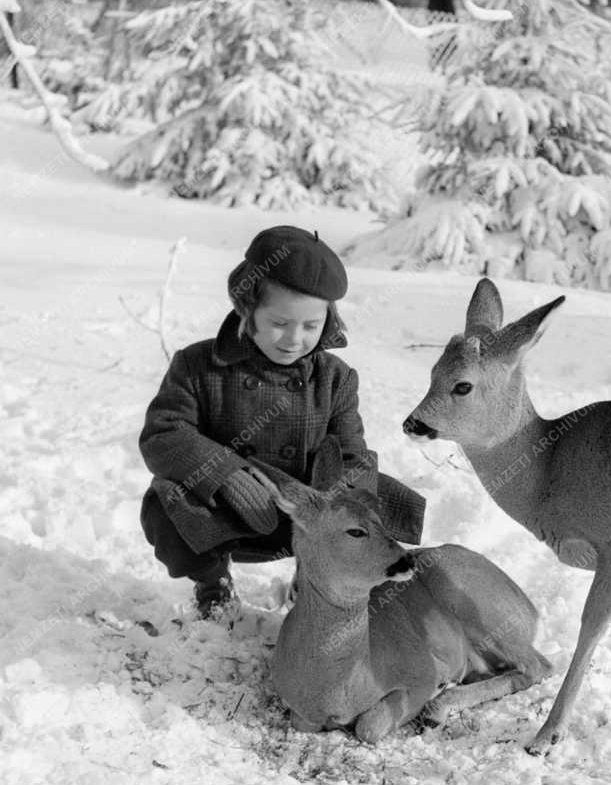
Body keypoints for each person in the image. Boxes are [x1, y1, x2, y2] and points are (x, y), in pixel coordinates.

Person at [138, 225, 425, 618]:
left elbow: (353, 457)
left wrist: (322, 511)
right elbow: (163, 433)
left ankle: (314, 577)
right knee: (166, 508)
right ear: (247, 309)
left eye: (311, 326)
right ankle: (213, 584)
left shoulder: (335, 379)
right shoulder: (197, 366)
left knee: (372, 506)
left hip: (305, 518)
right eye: (279, 323)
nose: (294, 339)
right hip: (226, 512)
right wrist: (227, 475)